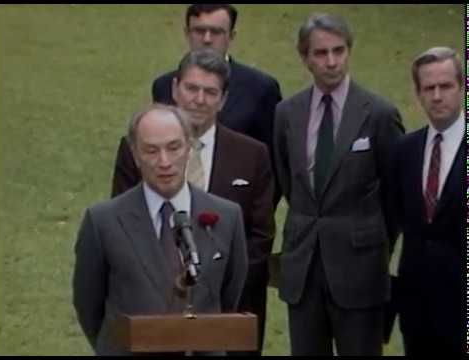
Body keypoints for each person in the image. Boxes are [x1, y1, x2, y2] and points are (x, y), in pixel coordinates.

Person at [273, 13, 404, 356]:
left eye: (338, 51)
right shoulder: (287, 113)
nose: (331, 61)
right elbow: (290, 180)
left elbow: (395, 194)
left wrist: (370, 241)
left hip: (360, 270)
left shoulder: (378, 113)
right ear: (305, 58)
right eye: (320, 53)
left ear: (349, 51)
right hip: (304, 267)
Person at [72, 104, 248, 355]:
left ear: (189, 147)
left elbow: (230, 295)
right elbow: (89, 305)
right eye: (151, 151)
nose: (164, 162)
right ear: (135, 155)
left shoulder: (227, 216)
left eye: (173, 147)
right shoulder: (103, 221)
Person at [111, 4, 282, 205]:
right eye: (199, 31)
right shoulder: (163, 85)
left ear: (231, 36)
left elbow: (272, 168)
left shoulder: (261, 88)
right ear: (187, 33)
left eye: (216, 32)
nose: (207, 39)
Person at [393, 47, 464, 355]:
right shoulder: (405, 150)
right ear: (418, 93)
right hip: (417, 308)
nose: (437, 96)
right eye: (429, 88)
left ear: (461, 87)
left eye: (445, 86)